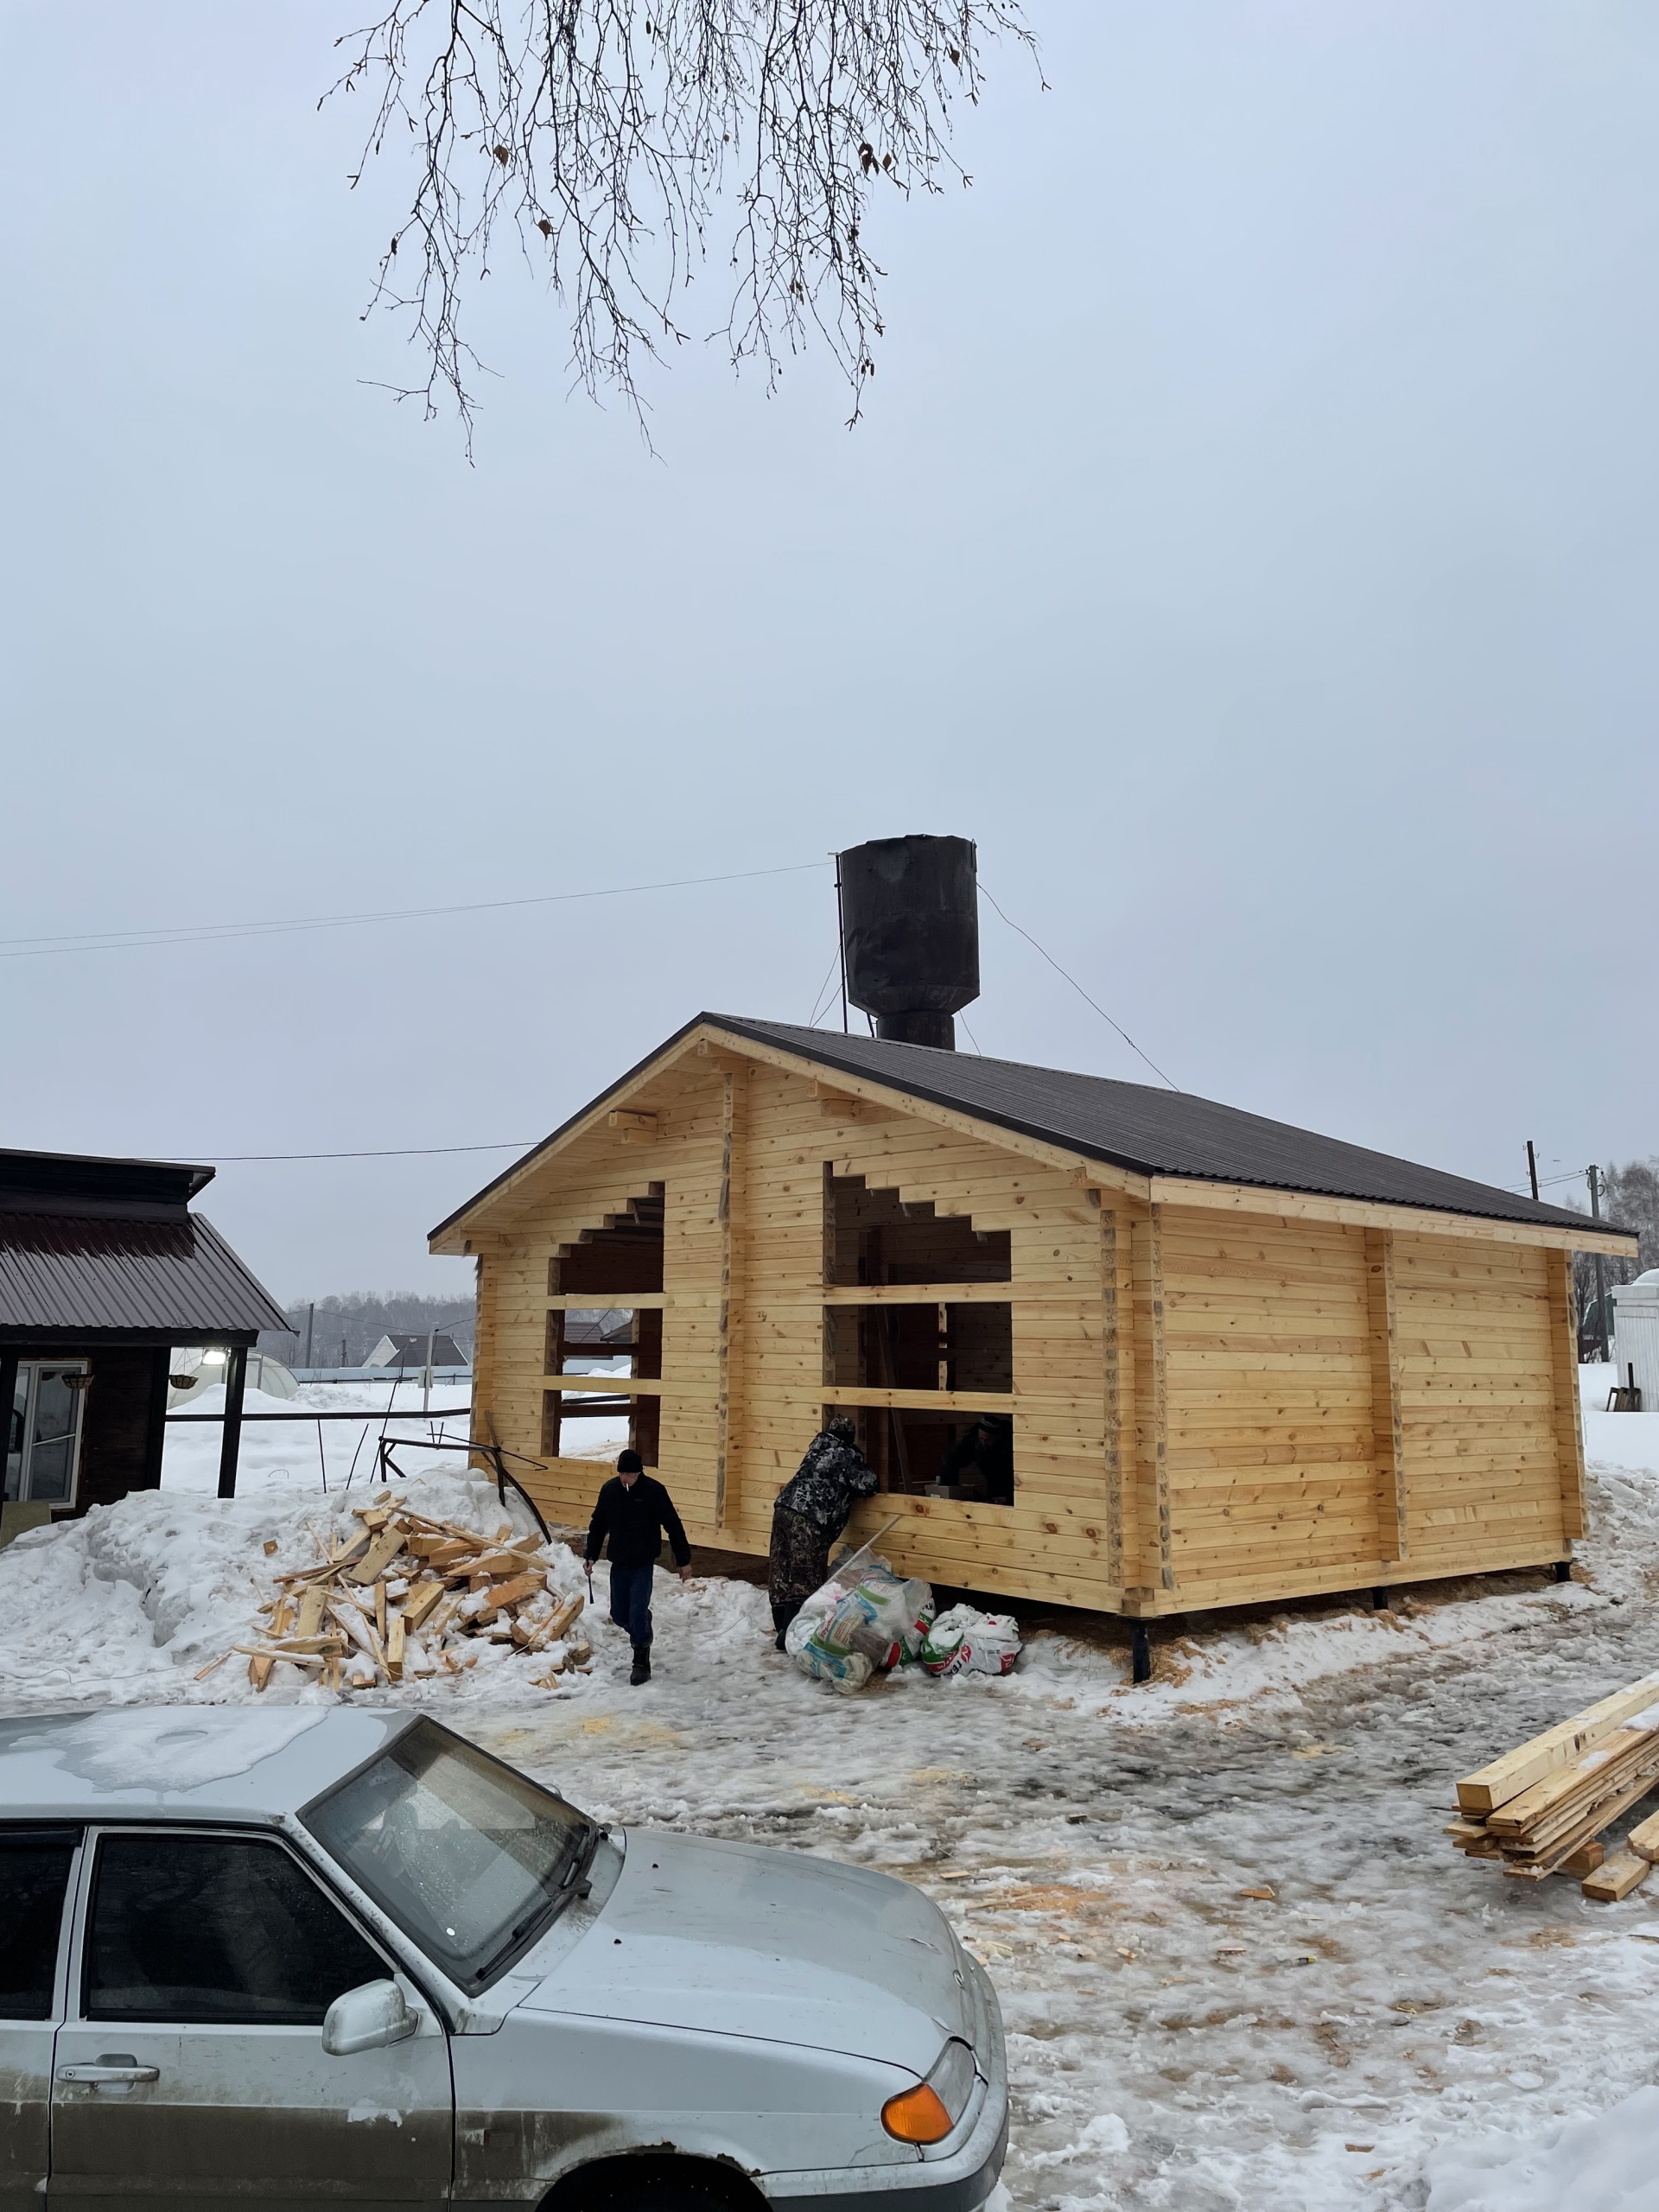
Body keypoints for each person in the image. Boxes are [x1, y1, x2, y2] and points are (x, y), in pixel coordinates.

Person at [767, 1414, 879, 1650]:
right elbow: (869, 1484)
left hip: (784, 1508)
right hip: (809, 1518)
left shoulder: (816, 1449)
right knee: (805, 1575)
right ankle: (791, 1634)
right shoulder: (846, 1454)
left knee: (782, 1569)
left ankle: (781, 1628)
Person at [584, 1450, 692, 1685]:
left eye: (631, 1475)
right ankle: (643, 1623)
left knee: (636, 1611)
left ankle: (641, 1661)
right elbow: (598, 1524)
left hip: (643, 1563)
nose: (626, 1479)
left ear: (639, 1473)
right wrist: (590, 1555)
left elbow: (673, 1525)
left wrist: (683, 1560)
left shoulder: (653, 1491)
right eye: (623, 1474)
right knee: (619, 1615)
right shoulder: (610, 1491)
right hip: (618, 1562)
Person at [938, 1414, 1014, 1505]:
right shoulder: (973, 1440)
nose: (984, 1443)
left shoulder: (1009, 1445)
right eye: (981, 1438)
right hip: (992, 1481)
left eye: (988, 1440)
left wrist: (1008, 1498)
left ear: (997, 1437)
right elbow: (952, 1458)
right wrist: (950, 1488)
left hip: (1011, 1482)